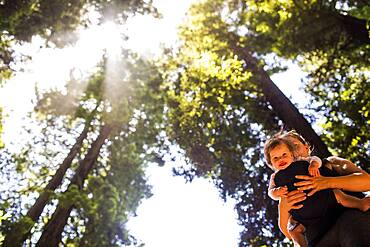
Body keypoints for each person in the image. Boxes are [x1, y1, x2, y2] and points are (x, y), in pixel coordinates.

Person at [264, 136, 370, 247]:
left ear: (307, 147)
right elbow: (289, 232)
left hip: (350, 220)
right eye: (276, 157)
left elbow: (368, 182)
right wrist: (283, 207)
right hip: (318, 240)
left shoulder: (330, 163)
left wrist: (328, 182)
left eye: (294, 146)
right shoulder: (283, 182)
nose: (293, 153)